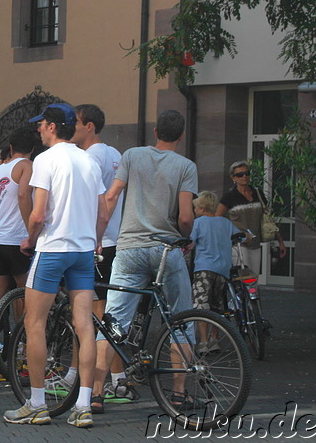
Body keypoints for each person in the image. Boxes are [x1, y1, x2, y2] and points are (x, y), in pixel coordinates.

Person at [3, 103, 106, 427]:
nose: (38, 129)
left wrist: (30, 238)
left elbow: (38, 213)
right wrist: (95, 240)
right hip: (83, 250)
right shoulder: (89, 160)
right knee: (84, 325)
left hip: (53, 248)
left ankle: (36, 403)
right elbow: (103, 213)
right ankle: (84, 405)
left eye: (42, 124)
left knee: (35, 323)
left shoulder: (45, 160)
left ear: (52, 126)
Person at [90, 109, 198, 413]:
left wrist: (98, 237)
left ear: (155, 131)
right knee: (181, 319)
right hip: (166, 248)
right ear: (181, 135)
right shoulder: (186, 166)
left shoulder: (132, 156)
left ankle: (97, 393)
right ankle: (178, 393)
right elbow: (187, 217)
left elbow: (110, 198)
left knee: (112, 321)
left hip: (129, 248)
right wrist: (184, 237)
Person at [71, 104, 136, 406]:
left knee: (94, 315)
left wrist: (92, 235)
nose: (72, 127)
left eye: (77, 123)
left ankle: (96, 382)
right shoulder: (116, 154)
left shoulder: (88, 157)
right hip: (114, 239)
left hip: (97, 241)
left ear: (91, 126)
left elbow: (89, 199)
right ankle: (117, 378)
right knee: (108, 314)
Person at [0, 129, 35, 383]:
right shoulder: (27, 166)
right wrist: (31, 230)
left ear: (10, 147)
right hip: (16, 241)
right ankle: (23, 359)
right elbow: (23, 195)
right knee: (26, 298)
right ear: (32, 148)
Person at [190, 191, 241, 352]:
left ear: (202, 208)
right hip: (223, 269)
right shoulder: (226, 223)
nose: (195, 211)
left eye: (196, 208)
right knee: (217, 304)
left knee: (201, 305)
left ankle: (203, 342)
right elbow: (243, 237)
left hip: (204, 267)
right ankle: (215, 339)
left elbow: (190, 243)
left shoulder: (198, 223)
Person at [215, 161, 286, 275]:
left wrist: (280, 241)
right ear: (233, 178)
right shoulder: (230, 196)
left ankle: (252, 293)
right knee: (245, 277)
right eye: (240, 174)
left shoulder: (257, 193)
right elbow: (216, 219)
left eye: (247, 173)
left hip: (255, 243)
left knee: (254, 278)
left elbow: (269, 219)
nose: (244, 176)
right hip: (239, 244)